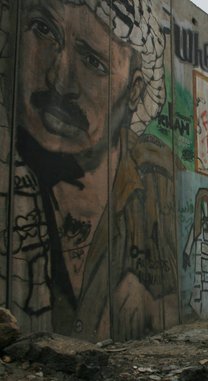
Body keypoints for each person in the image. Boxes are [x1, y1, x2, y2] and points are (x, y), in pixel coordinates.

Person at [5, 0, 178, 341]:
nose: (58, 79)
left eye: (93, 62)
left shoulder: (159, 184)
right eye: (44, 30)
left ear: (136, 90)